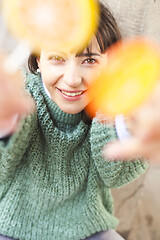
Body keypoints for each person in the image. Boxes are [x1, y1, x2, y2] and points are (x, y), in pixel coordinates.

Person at [0, 1, 148, 240]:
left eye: (89, 61)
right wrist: (6, 121)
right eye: (57, 58)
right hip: (12, 226)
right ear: (38, 60)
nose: (71, 79)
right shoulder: (23, 95)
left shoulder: (111, 107)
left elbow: (117, 175)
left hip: (88, 228)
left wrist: (127, 125)